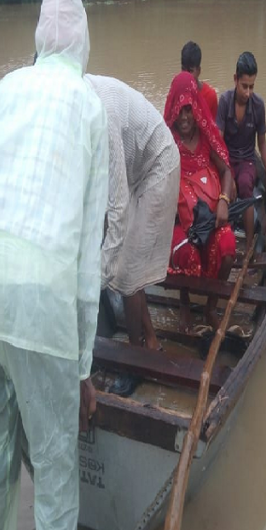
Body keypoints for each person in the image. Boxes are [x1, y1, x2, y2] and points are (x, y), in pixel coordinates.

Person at [0, 0, 108, 530]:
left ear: (41, 38)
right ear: (83, 42)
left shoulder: (7, 88)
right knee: (55, 475)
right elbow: (86, 254)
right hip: (41, 297)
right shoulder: (90, 106)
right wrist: (84, 367)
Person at [85, 75, 180, 352]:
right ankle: (151, 339)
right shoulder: (67, 108)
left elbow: (117, 205)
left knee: (126, 273)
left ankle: (136, 350)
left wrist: (101, 278)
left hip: (157, 164)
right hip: (131, 168)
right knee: (126, 267)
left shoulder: (100, 113)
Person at [164, 71, 236, 333]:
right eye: (179, 110)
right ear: (172, 109)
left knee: (228, 246)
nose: (184, 117)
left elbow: (226, 169)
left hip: (211, 215)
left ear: (195, 107)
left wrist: (224, 201)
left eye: (188, 109)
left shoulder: (207, 136)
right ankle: (184, 303)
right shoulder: (167, 141)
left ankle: (210, 306)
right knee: (187, 251)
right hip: (179, 222)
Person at [216, 51, 266, 252]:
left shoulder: (258, 105)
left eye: (252, 86)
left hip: (247, 161)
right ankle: (222, 241)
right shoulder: (225, 102)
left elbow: (262, 143)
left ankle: (250, 245)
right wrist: (227, 176)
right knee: (223, 190)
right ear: (235, 79)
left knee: (244, 186)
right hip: (226, 159)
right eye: (244, 86)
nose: (248, 92)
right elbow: (218, 143)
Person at [181, 41, 219, 119]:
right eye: (184, 70)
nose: (186, 75)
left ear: (198, 71)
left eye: (190, 71)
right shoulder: (177, 93)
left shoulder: (210, 95)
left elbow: (213, 128)